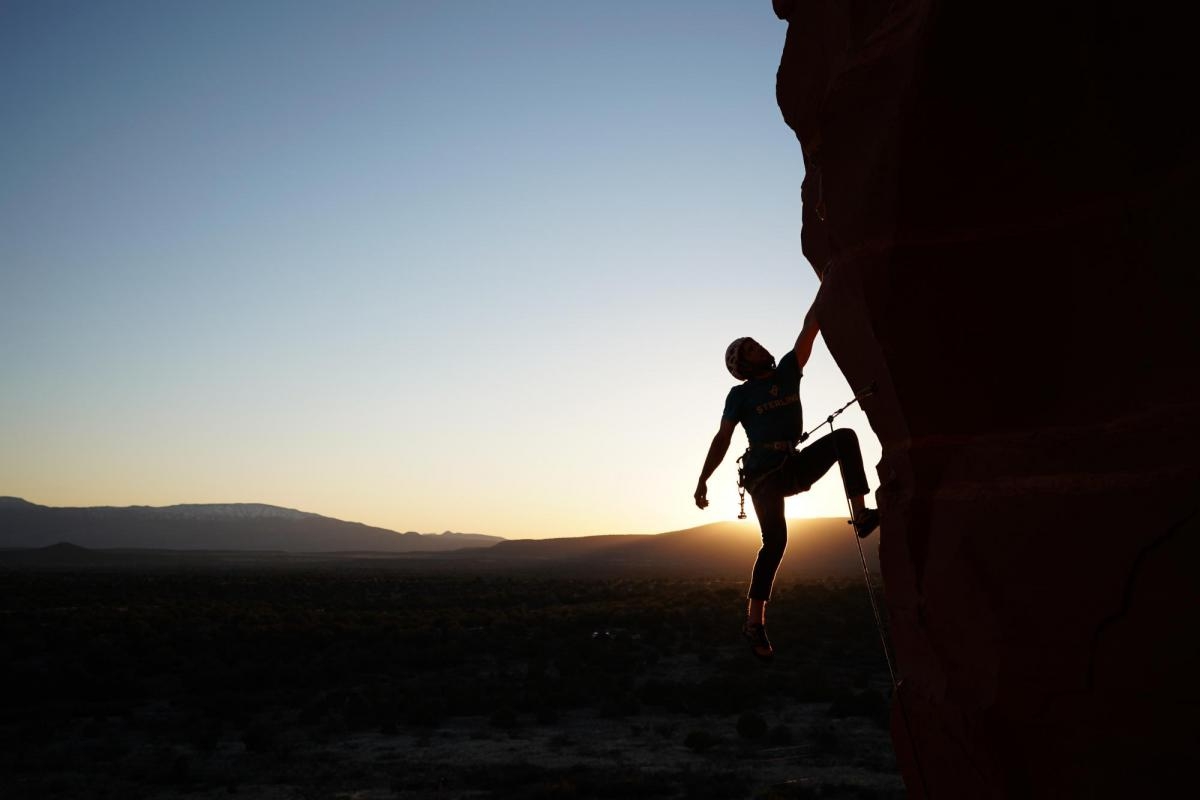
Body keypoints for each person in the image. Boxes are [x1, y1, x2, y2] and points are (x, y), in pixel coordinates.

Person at [693, 298, 879, 661]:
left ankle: (860, 515)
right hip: (763, 475)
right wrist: (703, 480)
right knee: (776, 541)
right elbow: (722, 438)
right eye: (751, 349)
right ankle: (754, 622)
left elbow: (810, 327)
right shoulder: (740, 395)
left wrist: (827, 288)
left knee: (844, 439)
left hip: (791, 466)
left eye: (756, 343)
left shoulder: (788, 371)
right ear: (743, 365)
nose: (760, 348)